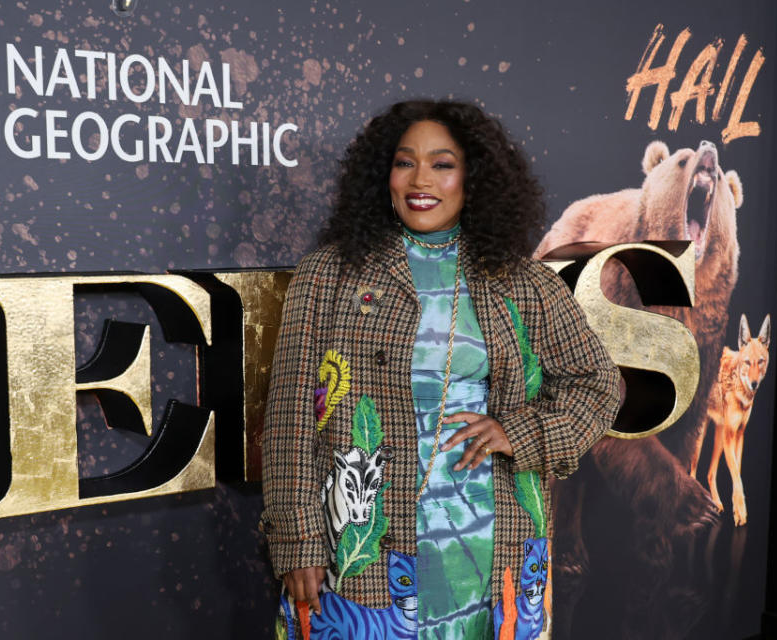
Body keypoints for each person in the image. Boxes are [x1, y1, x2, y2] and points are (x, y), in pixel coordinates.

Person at [260, 100, 621, 639]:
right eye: (405, 162)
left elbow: (599, 385)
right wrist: (297, 540)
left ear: (474, 178)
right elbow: (289, 419)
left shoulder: (525, 283)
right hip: (367, 550)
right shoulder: (328, 276)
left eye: (442, 163)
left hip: (493, 539)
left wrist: (518, 431)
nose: (420, 180)